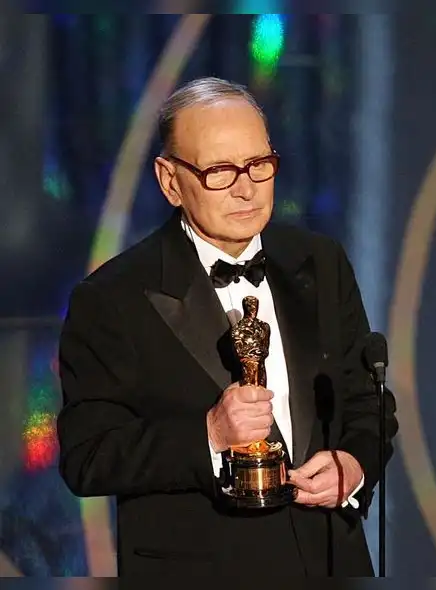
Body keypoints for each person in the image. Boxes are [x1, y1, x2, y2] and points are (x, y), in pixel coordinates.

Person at [56, 77, 396, 576]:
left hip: (329, 561)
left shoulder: (320, 262)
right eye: (219, 170)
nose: (246, 188)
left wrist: (354, 466)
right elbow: (88, 457)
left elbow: (367, 398)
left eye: (259, 165)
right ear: (170, 181)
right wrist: (208, 434)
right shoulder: (112, 298)